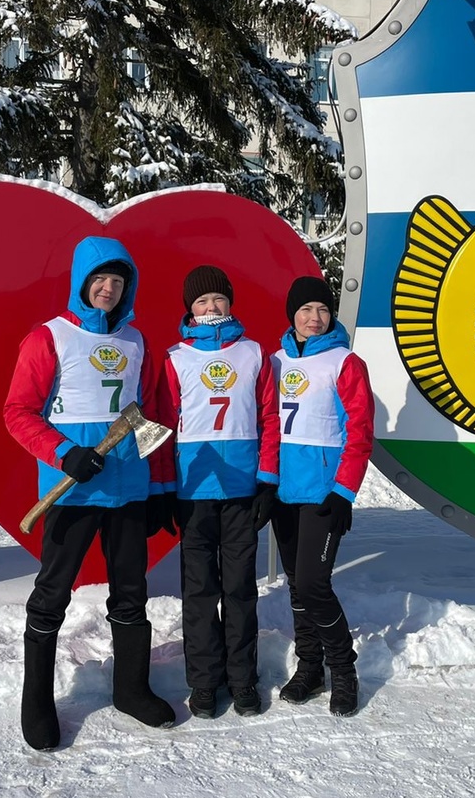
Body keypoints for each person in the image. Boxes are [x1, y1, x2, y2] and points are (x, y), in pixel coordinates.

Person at [4, 235, 177, 750]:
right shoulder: (48, 337)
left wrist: (159, 484)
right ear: (82, 282)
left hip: (128, 491)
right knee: (53, 593)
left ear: (128, 288)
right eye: (99, 279)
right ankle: (35, 699)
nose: (107, 289)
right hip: (73, 493)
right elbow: (17, 413)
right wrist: (64, 453)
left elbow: (147, 415)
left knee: (131, 593)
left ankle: (131, 688)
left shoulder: (136, 341)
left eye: (117, 281)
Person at [159, 266, 280, 719]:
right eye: (202, 301)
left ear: (230, 303)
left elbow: (270, 421)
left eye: (218, 299)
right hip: (193, 492)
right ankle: (205, 683)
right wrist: (164, 488)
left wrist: (267, 480)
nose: (211, 308)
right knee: (199, 592)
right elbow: (163, 428)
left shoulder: (254, 353)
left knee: (240, 590)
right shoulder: (175, 357)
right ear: (189, 308)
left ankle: (242, 679)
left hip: (241, 491)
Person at [268, 275, 374, 717]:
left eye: (323, 310)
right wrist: (263, 482)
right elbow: (267, 427)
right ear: (292, 315)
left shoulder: (344, 362)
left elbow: (360, 432)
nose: (314, 318)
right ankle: (310, 666)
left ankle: (343, 669)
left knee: (314, 582)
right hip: (282, 492)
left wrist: (344, 491)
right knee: (296, 585)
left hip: (323, 494)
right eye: (306, 310)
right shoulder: (273, 362)